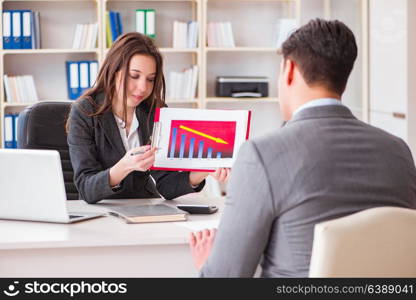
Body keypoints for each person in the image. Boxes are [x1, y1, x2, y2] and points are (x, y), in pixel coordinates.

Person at [189, 19, 416, 277]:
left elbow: (224, 279)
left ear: (289, 70)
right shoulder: (399, 153)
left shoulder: (261, 155)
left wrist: (206, 265)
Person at [67, 32, 229, 204]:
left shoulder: (155, 112)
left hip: (146, 210)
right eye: (134, 76)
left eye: (150, 79)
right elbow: (86, 188)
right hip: (101, 213)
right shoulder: (85, 112)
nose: (143, 87)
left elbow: (166, 185)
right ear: (114, 71)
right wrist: (125, 166)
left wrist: (204, 170)